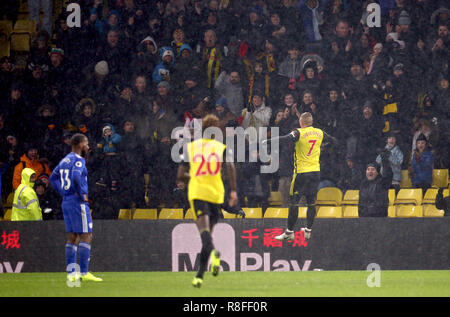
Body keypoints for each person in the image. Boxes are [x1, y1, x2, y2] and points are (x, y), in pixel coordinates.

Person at [176, 114, 238, 288]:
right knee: (207, 234)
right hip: (216, 194)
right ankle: (199, 276)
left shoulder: (191, 148)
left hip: (198, 193)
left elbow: (180, 175)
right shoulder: (221, 147)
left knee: (205, 235)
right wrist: (233, 191)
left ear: (202, 130)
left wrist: (193, 175)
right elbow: (230, 166)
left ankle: (215, 253)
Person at [264, 112, 336, 241]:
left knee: (294, 203)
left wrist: (268, 141)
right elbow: (333, 141)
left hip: (301, 173)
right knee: (311, 203)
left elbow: (286, 138)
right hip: (315, 172)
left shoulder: (299, 132)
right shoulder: (319, 132)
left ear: (301, 122)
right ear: (311, 122)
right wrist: (324, 147)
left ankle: (289, 232)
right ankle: (308, 230)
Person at [49, 133, 102, 283]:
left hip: (67, 201)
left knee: (72, 237)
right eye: (86, 143)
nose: (88, 146)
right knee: (86, 235)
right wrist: (81, 193)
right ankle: (84, 272)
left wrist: (63, 192)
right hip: (78, 202)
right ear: (79, 144)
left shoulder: (65, 160)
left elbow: (53, 177)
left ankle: (71, 273)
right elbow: (76, 176)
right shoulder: (79, 160)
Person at [358, 150, 393, 217]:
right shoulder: (363, 184)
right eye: (368, 169)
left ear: (377, 172)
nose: (370, 171)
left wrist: (385, 161)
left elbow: (388, 175)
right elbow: (360, 204)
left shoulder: (382, 183)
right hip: (365, 218)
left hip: (379, 218)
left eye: (373, 169)